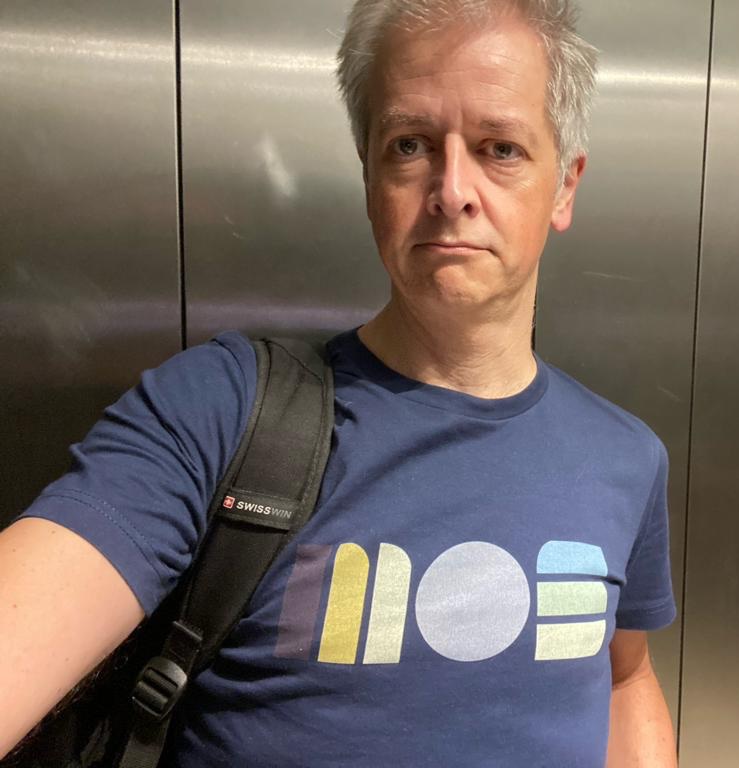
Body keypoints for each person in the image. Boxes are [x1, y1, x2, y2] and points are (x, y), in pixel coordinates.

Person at [0, 0, 678, 765]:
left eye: (501, 148)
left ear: (564, 188)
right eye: (410, 145)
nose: (452, 189)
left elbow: (627, 677)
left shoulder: (626, 458)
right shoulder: (217, 413)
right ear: (369, 175)